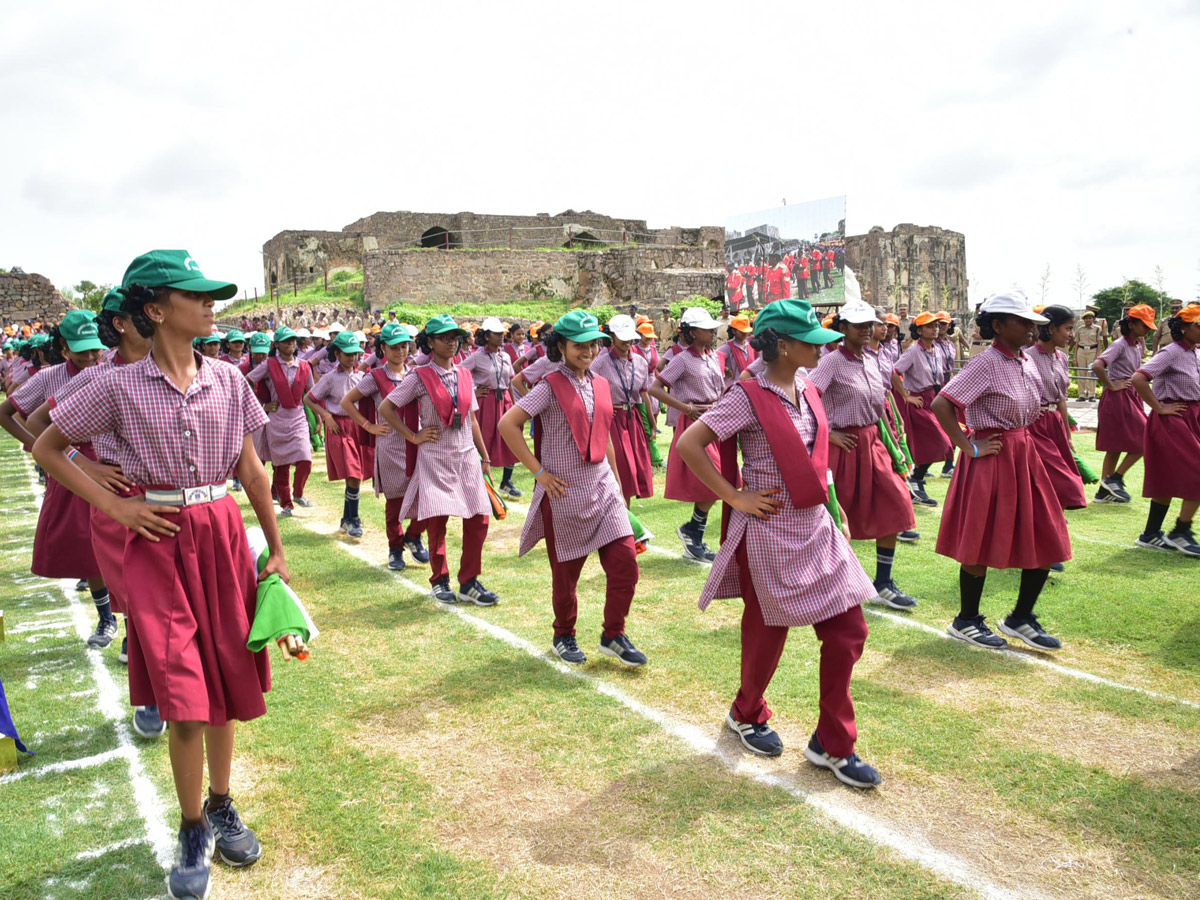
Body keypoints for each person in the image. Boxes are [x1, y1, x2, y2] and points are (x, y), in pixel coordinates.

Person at [32, 250, 295, 900]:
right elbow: (46, 445)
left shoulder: (231, 380)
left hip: (222, 536)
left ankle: (223, 799)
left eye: (212, 296)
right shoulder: (115, 386)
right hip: (156, 543)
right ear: (155, 309)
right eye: (196, 296)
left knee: (227, 676)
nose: (211, 304)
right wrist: (114, 501)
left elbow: (254, 472)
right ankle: (191, 826)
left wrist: (278, 550)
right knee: (182, 693)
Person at [675, 298, 881, 788]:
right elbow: (689, 445)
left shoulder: (808, 384)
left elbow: (816, 455)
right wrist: (733, 495)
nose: (820, 348)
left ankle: (833, 744)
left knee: (849, 630)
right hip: (770, 529)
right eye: (809, 341)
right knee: (769, 632)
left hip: (817, 525)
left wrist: (834, 505)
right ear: (782, 345)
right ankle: (746, 713)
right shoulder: (746, 394)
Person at [498, 310, 646, 666]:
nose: (588, 350)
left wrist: (618, 484)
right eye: (579, 344)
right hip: (563, 493)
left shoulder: (601, 384)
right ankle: (563, 634)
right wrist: (539, 473)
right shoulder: (549, 385)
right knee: (567, 577)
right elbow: (508, 424)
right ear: (560, 346)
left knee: (626, 562)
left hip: (603, 489)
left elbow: (605, 434)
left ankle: (614, 633)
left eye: (593, 343)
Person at [931, 291, 1072, 651]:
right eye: (1022, 322)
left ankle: (1021, 617)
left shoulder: (1025, 360)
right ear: (998, 325)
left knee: (1046, 531)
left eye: (1032, 323)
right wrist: (967, 446)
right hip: (992, 456)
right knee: (982, 537)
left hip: (1024, 453)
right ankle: (966, 619)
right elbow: (942, 403)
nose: (1031, 328)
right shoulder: (986, 362)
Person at [0, 310, 114, 645]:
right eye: (83, 350)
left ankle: (132, 626)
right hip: (73, 467)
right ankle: (107, 619)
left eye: (96, 349)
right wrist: (44, 450)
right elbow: (7, 413)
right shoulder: (50, 378)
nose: (92, 358)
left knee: (123, 545)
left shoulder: (112, 369)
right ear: (64, 347)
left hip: (114, 466)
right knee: (86, 544)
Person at [377, 314, 498, 606]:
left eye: (455, 336)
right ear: (429, 342)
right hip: (435, 454)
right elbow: (387, 407)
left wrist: (484, 455)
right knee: (437, 519)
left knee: (479, 517)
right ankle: (440, 579)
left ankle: (469, 581)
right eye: (443, 337)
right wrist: (413, 436)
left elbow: (471, 418)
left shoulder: (465, 375)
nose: (451, 342)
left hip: (466, 453)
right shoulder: (420, 376)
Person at [812, 299, 920, 609]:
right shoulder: (831, 362)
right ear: (842, 329)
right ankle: (829, 580)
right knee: (836, 514)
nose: (866, 329)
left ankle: (883, 582)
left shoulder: (873, 359)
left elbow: (881, 405)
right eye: (858, 325)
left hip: (873, 441)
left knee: (895, 503)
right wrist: (829, 433)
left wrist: (893, 442)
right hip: (842, 445)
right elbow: (807, 398)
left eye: (868, 324)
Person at [339, 322, 429, 570]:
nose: (400, 351)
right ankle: (395, 549)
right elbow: (347, 402)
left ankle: (414, 536)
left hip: (416, 442)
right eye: (394, 347)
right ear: (383, 349)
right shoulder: (376, 377)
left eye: (404, 346)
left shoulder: (416, 373)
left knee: (426, 495)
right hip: (390, 445)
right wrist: (368, 426)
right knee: (396, 502)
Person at [648, 306, 728, 562]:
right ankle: (693, 531)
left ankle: (694, 532)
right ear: (692, 332)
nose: (713, 331)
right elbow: (655, 388)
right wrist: (685, 408)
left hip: (715, 420)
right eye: (707, 328)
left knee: (722, 478)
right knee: (714, 479)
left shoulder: (713, 356)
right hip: (696, 422)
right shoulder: (682, 359)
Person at [1130, 303, 1200, 556]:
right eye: (1198, 325)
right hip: (1173, 420)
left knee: (1168, 479)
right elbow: (1139, 378)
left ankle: (1150, 534)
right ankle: (1181, 530)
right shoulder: (1171, 352)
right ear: (1184, 328)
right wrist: (1159, 408)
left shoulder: (1194, 352)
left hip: (1191, 417)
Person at [245, 326, 315, 518]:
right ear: (276, 344)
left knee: (305, 459)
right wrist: (262, 405)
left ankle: (298, 493)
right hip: (276, 418)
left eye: (293, 340)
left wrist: (317, 416)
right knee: (281, 464)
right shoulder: (269, 364)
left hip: (298, 416)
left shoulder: (304, 366)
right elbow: (247, 381)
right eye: (286, 341)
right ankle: (286, 503)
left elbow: (311, 392)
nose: (291, 344)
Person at [304, 330, 368, 536]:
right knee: (353, 472)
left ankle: (347, 519)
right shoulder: (330, 378)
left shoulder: (362, 376)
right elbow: (309, 398)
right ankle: (355, 519)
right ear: (337, 354)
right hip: (339, 427)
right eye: (347, 353)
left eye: (355, 353)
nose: (351, 358)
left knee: (355, 474)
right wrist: (326, 416)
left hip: (358, 425)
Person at [1091, 304, 1156, 503]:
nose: (1147, 330)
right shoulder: (1120, 344)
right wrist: (1111, 385)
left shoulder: (1136, 344)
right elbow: (1097, 365)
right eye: (1144, 326)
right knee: (1146, 438)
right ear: (1133, 324)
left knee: (1116, 447)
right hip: (1119, 397)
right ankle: (1114, 479)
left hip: (1130, 395)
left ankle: (1103, 492)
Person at [1028, 305, 1088, 518]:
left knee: (1061, 474)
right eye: (1068, 328)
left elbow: (1061, 398)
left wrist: (1067, 435)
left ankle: (1055, 519)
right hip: (1033, 422)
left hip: (1055, 422)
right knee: (1056, 476)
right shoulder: (1027, 357)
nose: (1071, 335)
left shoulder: (1061, 358)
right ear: (1052, 328)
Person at [890, 311, 953, 507]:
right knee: (942, 442)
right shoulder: (913, 352)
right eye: (929, 326)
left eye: (936, 325)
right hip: (920, 400)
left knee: (935, 443)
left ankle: (916, 482)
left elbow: (942, 374)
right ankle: (916, 478)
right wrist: (906, 395)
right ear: (919, 330)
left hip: (935, 397)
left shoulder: (939, 350)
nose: (935, 329)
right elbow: (894, 373)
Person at [591, 314, 654, 505]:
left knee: (636, 468)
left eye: (630, 337)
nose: (627, 341)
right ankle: (621, 517)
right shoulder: (600, 363)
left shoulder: (641, 363)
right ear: (612, 337)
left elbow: (644, 395)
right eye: (622, 337)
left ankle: (626, 516)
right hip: (612, 419)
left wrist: (651, 422)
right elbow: (592, 392)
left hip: (633, 418)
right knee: (620, 468)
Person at [461, 317, 521, 497]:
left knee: (510, 439)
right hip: (486, 402)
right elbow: (459, 373)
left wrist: (515, 404)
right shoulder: (477, 356)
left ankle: (506, 481)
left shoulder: (506, 356)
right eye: (496, 334)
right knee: (485, 440)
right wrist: (473, 391)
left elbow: (510, 380)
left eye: (502, 333)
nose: (501, 337)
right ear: (487, 336)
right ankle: (480, 482)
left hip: (505, 401)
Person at [717, 315, 757, 386]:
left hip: (750, 385)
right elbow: (714, 359)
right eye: (741, 331)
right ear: (734, 331)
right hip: (734, 386)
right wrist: (725, 369)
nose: (744, 334)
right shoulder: (727, 347)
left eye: (745, 331)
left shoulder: (751, 344)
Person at [1072, 310, 1103, 401]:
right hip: (1081, 350)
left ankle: (1091, 394)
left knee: (1091, 373)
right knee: (1081, 372)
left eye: (1090, 318)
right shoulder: (1080, 329)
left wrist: (1098, 356)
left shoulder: (1097, 328)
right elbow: (1076, 343)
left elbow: (1099, 343)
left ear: (1093, 319)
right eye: (1086, 318)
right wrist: (1075, 357)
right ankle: (1082, 394)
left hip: (1092, 350)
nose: (1088, 320)